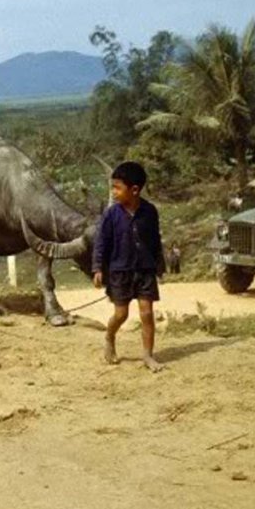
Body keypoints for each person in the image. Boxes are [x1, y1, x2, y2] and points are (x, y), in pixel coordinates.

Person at [91, 160, 166, 373]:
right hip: (119, 271)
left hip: (144, 269)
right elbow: (101, 242)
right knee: (121, 314)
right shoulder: (111, 215)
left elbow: (155, 240)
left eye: (117, 187)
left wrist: (159, 265)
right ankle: (109, 336)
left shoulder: (150, 212)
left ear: (134, 190)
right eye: (112, 187)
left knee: (147, 313)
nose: (114, 192)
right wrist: (98, 268)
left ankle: (148, 356)